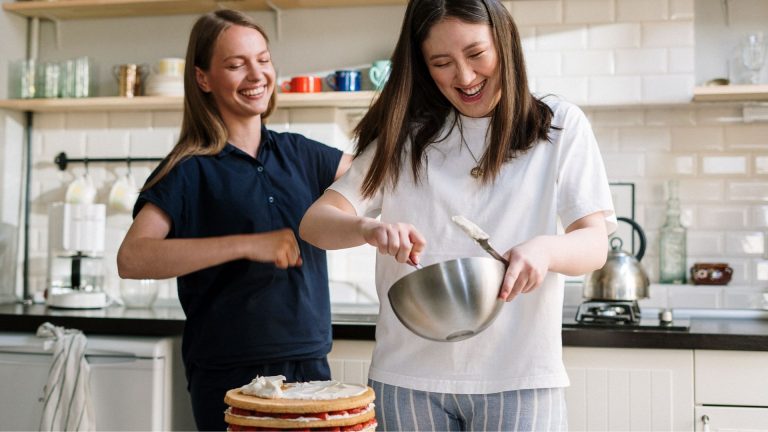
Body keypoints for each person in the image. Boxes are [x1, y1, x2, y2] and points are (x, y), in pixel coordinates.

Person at [299, 0, 616, 430]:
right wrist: (367, 228)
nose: (464, 78)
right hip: (407, 376)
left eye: (476, 54)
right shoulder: (406, 138)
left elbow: (594, 242)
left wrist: (546, 249)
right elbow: (315, 222)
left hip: (519, 376)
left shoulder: (557, 126)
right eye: (442, 62)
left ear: (505, 42)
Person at [116, 10, 352, 431]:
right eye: (235, 64)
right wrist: (248, 243)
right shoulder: (187, 169)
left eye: (262, 59)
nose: (256, 74)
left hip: (309, 364)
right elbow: (132, 258)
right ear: (203, 78)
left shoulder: (302, 154)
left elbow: (381, 178)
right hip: (228, 374)